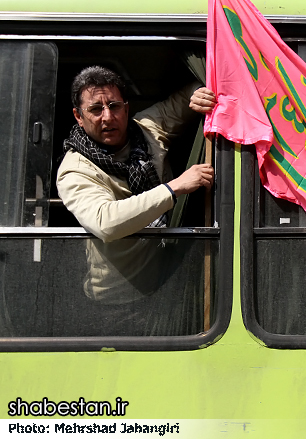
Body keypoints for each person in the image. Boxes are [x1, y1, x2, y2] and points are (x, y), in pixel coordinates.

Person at [55, 66, 217, 333]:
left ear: (126, 108)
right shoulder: (75, 169)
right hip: (114, 305)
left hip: (167, 284)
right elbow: (106, 222)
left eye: (114, 106)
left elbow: (181, 99)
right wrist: (173, 188)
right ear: (78, 117)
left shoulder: (146, 130)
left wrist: (198, 93)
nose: (108, 117)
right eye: (96, 109)